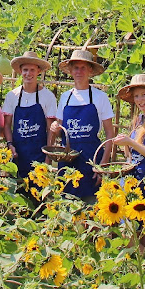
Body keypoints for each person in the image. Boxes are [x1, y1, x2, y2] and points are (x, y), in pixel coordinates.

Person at [50, 50, 115, 200]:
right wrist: (54, 128)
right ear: (71, 71)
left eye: (83, 67)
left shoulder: (100, 97)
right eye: (76, 68)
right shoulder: (65, 98)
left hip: (91, 161)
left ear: (90, 70)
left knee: (91, 206)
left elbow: (110, 134)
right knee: (67, 205)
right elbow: (60, 130)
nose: (79, 71)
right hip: (67, 161)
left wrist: (102, 166)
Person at [3, 51, 57, 178]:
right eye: (25, 70)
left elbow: (51, 130)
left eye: (32, 70)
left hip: (39, 154)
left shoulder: (47, 96)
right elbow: (7, 126)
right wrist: (10, 145)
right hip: (17, 154)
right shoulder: (12, 96)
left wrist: (47, 159)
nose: (28, 73)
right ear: (20, 71)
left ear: (39, 71)